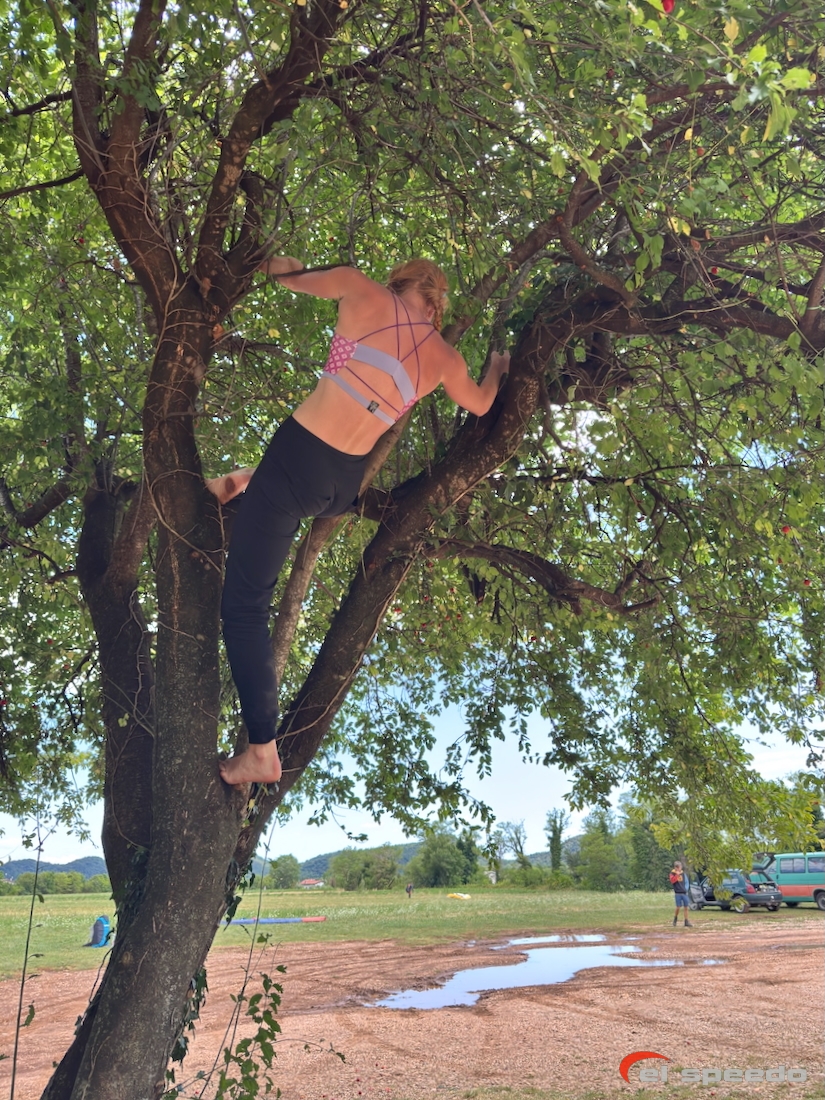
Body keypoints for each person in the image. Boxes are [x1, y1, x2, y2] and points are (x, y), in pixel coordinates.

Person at [210, 256, 510, 787]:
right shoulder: (443, 358)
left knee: (244, 609)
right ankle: (242, 479)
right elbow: (483, 405)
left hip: (299, 458)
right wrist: (498, 369)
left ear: (398, 280)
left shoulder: (359, 289)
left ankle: (261, 750)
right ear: (437, 302)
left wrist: (284, 263)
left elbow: (280, 277)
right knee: (280, 493)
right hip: (341, 487)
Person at [669, 860, 692, 927]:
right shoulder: (672, 874)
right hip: (678, 893)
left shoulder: (683, 874)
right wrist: (677, 875)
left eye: (680, 867)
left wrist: (686, 889)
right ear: (676, 868)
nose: (680, 869)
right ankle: (675, 918)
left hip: (684, 893)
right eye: (678, 867)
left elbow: (686, 882)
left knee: (686, 907)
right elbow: (672, 881)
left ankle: (686, 921)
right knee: (678, 907)